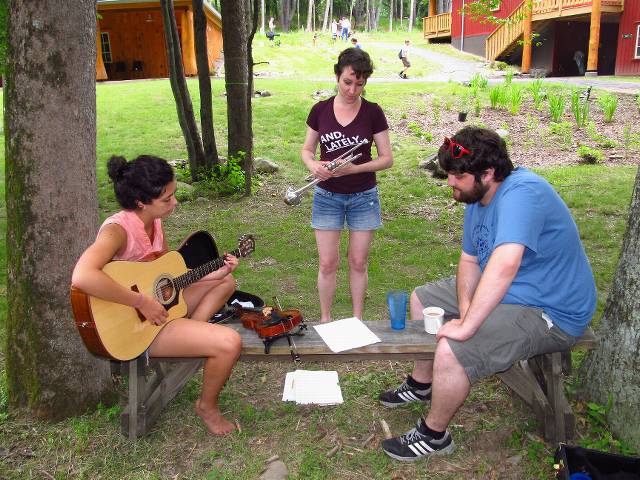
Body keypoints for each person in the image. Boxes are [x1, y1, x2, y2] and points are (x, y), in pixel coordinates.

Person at [378, 126, 596, 462]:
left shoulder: (523, 194)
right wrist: (466, 311)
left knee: (452, 348)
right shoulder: (477, 196)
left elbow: (505, 265)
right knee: (423, 299)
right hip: (512, 289)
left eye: (456, 175)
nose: (450, 182)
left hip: (552, 309)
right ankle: (423, 383)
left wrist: (466, 328)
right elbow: (469, 260)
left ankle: (434, 435)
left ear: (488, 172)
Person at [71, 155, 242, 436]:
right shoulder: (117, 230)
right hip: (137, 326)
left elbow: (166, 279)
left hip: (162, 308)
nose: (174, 203)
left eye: (173, 195)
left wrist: (217, 271)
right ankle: (207, 406)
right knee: (229, 343)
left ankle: (195, 331)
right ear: (141, 202)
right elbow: (83, 275)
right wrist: (141, 302)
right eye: (166, 199)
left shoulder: (154, 221)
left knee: (226, 281)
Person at [300, 48, 393, 323]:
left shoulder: (373, 112)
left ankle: (357, 320)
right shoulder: (320, 110)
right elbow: (306, 150)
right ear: (337, 76)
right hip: (327, 196)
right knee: (328, 263)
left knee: (358, 262)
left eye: (360, 84)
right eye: (348, 82)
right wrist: (314, 165)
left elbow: (387, 159)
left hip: (364, 196)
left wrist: (356, 168)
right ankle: (326, 319)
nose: (353, 90)